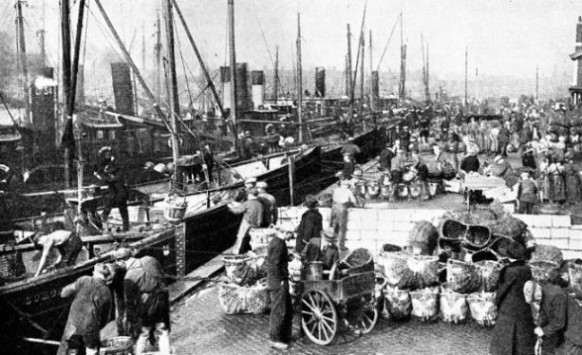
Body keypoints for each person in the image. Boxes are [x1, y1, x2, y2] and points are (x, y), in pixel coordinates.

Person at [114, 248, 171, 355]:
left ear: (121, 261)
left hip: (146, 307)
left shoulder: (129, 277)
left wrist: (131, 322)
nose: (116, 264)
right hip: (161, 301)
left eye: (117, 261)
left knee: (142, 334)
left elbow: (130, 304)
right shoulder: (150, 260)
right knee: (163, 332)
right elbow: (163, 278)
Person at [489, 242, 536, 355]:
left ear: (508, 255)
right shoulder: (527, 269)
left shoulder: (510, 271)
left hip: (509, 309)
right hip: (524, 308)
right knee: (522, 340)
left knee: (505, 341)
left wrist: (494, 303)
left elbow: (501, 289)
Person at [57, 263, 114, 355]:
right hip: (91, 327)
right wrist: (98, 327)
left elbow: (64, 293)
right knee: (91, 351)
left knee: (70, 349)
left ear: (94, 272)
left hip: (73, 325)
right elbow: (105, 317)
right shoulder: (107, 292)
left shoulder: (84, 280)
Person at [266, 225, 292, 350]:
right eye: (290, 233)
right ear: (285, 232)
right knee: (278, 311)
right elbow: (275, 264)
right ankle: (274, 339)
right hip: (278, 283)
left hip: (275, 281)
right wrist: (281, 280)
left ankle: (284, 335)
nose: (291, 236)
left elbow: (276, 260)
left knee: (286, 308)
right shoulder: (280, 244)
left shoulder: (276, 241)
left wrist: (288, 257)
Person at [93, 146, 130, 231]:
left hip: (119, 188)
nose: (108, 155)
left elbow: (117, 175)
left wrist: (108, 177)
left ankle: (125, 226)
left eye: (109, 153)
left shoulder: (115, 163)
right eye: (106, 153)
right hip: (111, 189)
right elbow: (99, 173)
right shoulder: (102, 164)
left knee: (121, 205)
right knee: (110, 203)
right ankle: (103, 221)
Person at [534, 268, 567, 355]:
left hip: (538, 327)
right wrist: (543, 330)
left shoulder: (540, 287)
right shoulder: (559, 292)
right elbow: (559, 322)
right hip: (549, 332)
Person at [228, 188, 264, 254]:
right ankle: (255, 252)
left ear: (250, 195)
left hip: (247, 222)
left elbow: (237, 211)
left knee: (241, 236)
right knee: (253, 238)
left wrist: (230, 207)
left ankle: (237, 252)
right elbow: (260, 216)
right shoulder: (260, 204)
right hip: (256, 224)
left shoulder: (247, 203)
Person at [330, 179, 359, 251]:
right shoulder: (349, 191)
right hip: (342, 208)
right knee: (342, 228)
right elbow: (354, 201)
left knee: (333, 226)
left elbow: (333, 199)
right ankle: (341, 245)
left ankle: (331, 243)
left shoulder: (336, 190)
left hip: (334, 207)